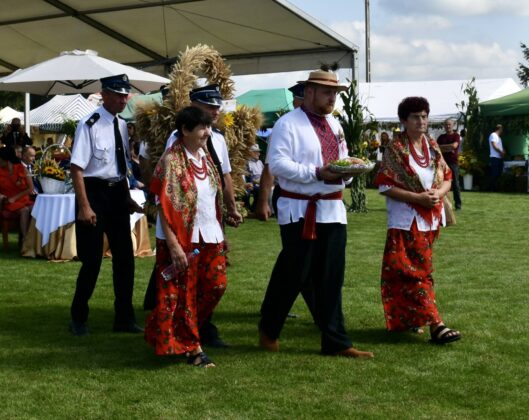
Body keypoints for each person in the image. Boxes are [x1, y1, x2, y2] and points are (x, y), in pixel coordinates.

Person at [258, 68, 374, 358]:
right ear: (308, 92)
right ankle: (269, 328)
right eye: (327, 92)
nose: (332, 97)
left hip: (332, 209)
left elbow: (342, 160)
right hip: (300, 210)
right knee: (294, 274)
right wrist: (316, 173)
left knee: (331, 276)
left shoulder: (335, 125)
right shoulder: (288, 124)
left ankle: (336, 341)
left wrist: (348, 173)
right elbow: (277, 164)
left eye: (335, 93)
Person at [143, 84, 242, 348]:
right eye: (208, 111)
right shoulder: (174, 152)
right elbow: (165, 200)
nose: (213, 116)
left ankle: (187, 328)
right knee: (182, 290)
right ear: (187, 128)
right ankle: (189, 343)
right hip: (182, 232)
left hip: (209, 229)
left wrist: (230, 209)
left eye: (215, 110)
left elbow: (223, 178)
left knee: (215, 285)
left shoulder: (211, 146)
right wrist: (174, 243)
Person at [375, 96, 461, 345]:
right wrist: (416, 197)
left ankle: (409, 318)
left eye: (424, 116)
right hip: (405, 220)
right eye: (415, 117)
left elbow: (446, 176)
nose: (421, 121)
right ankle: (437, 325)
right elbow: (385, 185)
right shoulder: (395, 148)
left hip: (429, 220)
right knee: (414, 272)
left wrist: (439, 193)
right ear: (404, 120)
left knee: (409, 271)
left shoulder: (432, 145)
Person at [68, 74, 143, 336]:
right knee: (92, 262)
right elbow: (77, 169)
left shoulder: (122, 125)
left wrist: (127, 198)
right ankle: (78, 317)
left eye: (126, 95)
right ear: (104, 94)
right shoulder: (89, 124)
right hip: (95, 193)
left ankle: (124, 318)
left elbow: (120, 167)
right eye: (118, 95)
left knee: (125, 260)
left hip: (117, 194)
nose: (124, 100)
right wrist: (85, 206)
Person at [256, 82, 305, 221]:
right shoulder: (284, 126)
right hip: (288, 193)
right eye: (299, 100)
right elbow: (269, 167)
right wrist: (263, 201)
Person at [0, 146, 34, 242]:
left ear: (5, 159)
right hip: (9, 201)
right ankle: (25, 240)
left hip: (23, 199)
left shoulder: (22, 169)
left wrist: (15, 197)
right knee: (24, 210)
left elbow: (31, 188)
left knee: (37, 209)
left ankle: (37, 241)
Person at [437, 118, 462, 209]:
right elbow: (436, 148)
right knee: (440, 184)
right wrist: (449, 148)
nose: (448, 126)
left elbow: (454, 146)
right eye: (446, 124)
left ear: (453, 125)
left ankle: (458, 205)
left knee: (455, 184)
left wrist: (443, 148)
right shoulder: (441, 137)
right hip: (442, 163)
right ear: (444, 126)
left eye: (449, 124)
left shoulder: (456, 136)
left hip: (453, 163)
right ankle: (443, 205)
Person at [244, 144, 264, 212]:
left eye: (258, 152)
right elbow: (244, 176)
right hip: (250, 183)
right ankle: (247, 208)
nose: (259, 153)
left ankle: (254, 209)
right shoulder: (247, 162)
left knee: (261, 191)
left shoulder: (260, 162)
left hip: (260, 183)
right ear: (250, 152)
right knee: (246, 192)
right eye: (256, 152)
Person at [488, 124, 505, 192]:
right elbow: (494, 145)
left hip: (499, 157)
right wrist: (501, 152)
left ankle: (496, 188)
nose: (502, 131)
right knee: (495, 173)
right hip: (494, 157)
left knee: (498, 173)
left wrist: (502, 152)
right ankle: (492, 188)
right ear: (499, 129)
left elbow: (499, 146)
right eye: (502, 129)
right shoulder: (493, 135)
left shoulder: (499, 137)